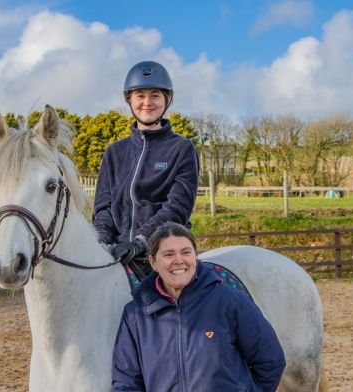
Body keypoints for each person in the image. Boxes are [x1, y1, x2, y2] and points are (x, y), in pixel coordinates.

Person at [111, 222, 286, 392]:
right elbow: (126, 382)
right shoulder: (135, 314)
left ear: (195, 257)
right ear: (153, 262)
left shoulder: (228, 300)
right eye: (169, 254)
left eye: (186, 252)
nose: (179, 260)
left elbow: (271, 360)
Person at [93, 60, 199, 278]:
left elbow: (177, 207)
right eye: (140, 95)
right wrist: (103, 241)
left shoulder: (182, 149)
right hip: (118, 252)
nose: (147, 102)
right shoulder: (114, 152)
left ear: (166, 100)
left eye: (155, 95)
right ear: (129, 100)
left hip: (165, 249)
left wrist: (142, 241)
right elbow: (103, 206)